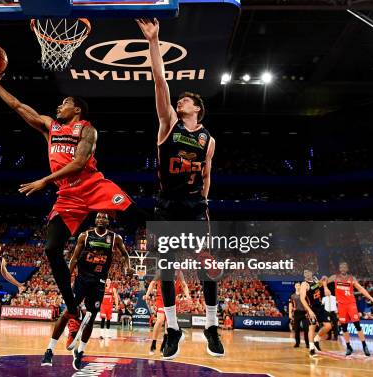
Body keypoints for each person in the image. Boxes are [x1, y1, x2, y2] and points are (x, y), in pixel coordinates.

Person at [0, 73, 147, 328]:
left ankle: (180, 238)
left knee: (138, 214)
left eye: (65, 102)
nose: (60, 106)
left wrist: (45, 180)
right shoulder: (51, 126)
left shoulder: (87, 129)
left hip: (92, 185)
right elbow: (17, 106)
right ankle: (73, 309)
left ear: (77, 109)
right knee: (51, 249)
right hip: (68, 194)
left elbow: (80, 162)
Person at [137, 18, 222, 359]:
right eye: (180, 100)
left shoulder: (209, 140)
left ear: (197, 109)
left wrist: (203, 206)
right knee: (165, 269)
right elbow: (160, 79)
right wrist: (153, 41)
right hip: (167, 206)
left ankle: (211, 326)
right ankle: (173, 329)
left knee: (208, 267)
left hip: (193, 207)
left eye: (186, 100)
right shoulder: (168, 123)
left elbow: (207, 176)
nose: (181, 102)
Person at [40, 213, 132, 370]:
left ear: (108, 222)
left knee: (91, 318)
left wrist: (127, 267)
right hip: (82, 280)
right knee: (67, 312)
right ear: (95, 221)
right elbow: (74, 258)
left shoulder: (115, 238)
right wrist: (66, 278)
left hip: (99, 282)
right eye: (99, 217)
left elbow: (125, 255)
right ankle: (49, 350)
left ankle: (81, 351)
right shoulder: (85, 236)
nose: (101, 219)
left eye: (104, 217)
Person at [325, 262, 373, 356]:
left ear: (347, 268)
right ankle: (348, 347)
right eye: (341, 266)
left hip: (351, 304)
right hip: (341, 305)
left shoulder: (352, 278)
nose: (343, 268)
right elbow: (324, 280)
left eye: (344, 266)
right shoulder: (334, 277)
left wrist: (371, 298)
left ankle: (364, 346)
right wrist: (325, 287)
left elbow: (361, 289)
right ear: (339, 268)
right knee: (344, 328)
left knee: (357, 326)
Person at [144, 271, 190, 356]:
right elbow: (152, 283)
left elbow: (184, 285)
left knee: (168, 324)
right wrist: (147, 294)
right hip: (161, 298)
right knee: (160, 320)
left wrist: (188, 296)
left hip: (172, 300)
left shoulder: (179, 272)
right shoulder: (161, 270)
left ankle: (163, 345)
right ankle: (153, 344)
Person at [299, 270, 332, 357]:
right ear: (304, 275)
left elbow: (324, 281)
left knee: (328, 326)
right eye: (305, 273)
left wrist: (324, 281)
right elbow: (302, 299)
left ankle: (316, 339)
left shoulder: (315, 281)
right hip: (312, 308)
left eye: (309, 272)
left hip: (320, 306)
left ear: (311, 273)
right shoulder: (304, 284)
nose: (307, 274)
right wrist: (309, 311)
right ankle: (311, 348)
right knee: (312, 327)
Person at [289, 283, 309, 349]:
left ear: (301, 287)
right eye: (297, 285)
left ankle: (307, 343)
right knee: (296, 329)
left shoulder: (304, 295)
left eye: (299, 285)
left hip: (304, 313)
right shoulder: (292, 296)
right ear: (295, 287)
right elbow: (290, 305)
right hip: (297, 313)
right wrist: (290, 313)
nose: (298, 287)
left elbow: (308, 304)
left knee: (306, 329)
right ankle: (297, 343)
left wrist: (308, 312)